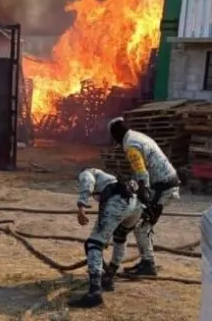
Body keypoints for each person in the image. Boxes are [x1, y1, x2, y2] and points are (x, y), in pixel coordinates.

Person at [107, 116, 181, 277]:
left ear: (116, 136)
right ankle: (146, 261)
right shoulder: (137, 137)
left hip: (163, 187)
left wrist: (142, 196)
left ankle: (148, 264)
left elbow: (142, 174)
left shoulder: (130, 145)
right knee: (143, 224)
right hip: (164, 183)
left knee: (142, 225)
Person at [68, 167, 143, 309]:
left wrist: (81, 206)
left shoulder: (87, 172)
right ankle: (109, 276)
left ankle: (95, 291)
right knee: (120, 237)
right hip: (135, 203)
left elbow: (87, 180)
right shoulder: (108, 178)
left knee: (93, 244)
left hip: (119, 201)